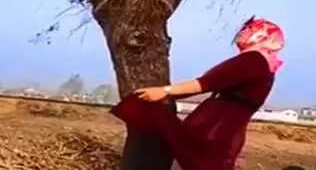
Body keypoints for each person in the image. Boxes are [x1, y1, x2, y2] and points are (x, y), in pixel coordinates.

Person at [110, 17, 284, 170]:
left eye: (249, 29)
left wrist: (164, 91)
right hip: (221, 132)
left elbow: (204, 84)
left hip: (213, 132)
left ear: (262, 35)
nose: (242, 33)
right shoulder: (263, 64)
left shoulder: (253, 60)